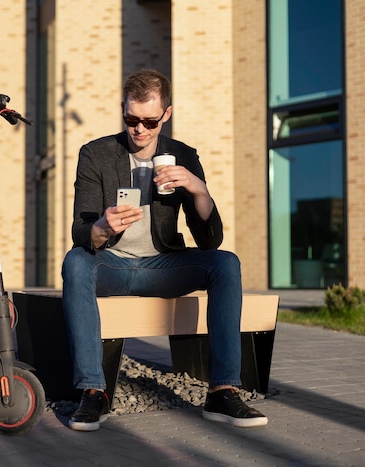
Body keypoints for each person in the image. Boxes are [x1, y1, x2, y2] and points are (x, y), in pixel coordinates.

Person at [61, 69, 268, 431]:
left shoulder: (183, 155)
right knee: (75, 261)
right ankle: (93, 391)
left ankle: (222, 391)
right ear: (123, 110)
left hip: (164, 264)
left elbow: (209, 241)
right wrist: (101, 228)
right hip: (113, 265)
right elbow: (81, 231)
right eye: (131, 119)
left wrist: (199, 190)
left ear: (166, 115)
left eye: (149, 121)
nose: (139, 129)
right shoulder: (96, 154)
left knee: (226, 264)